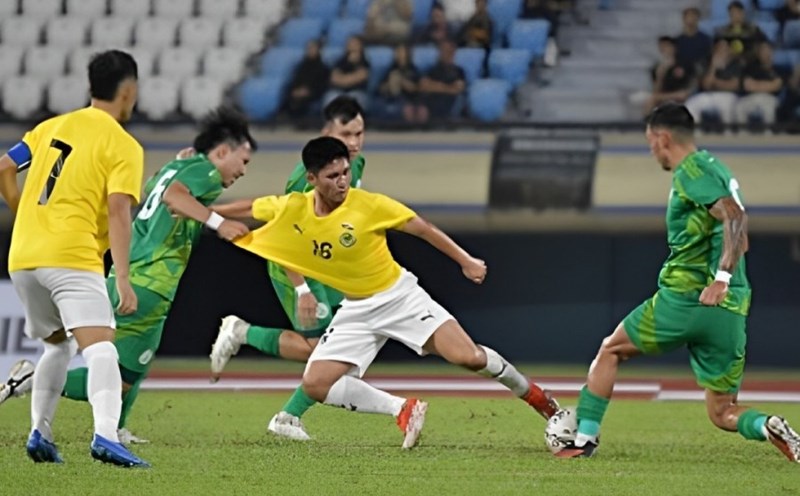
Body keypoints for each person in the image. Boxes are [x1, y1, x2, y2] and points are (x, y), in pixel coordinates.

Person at [214, 136, 560, 448]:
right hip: (356, 309)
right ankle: (403, 409)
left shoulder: (369, 205)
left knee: (468, 357)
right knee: (317, 384)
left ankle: (536, 398)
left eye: (345, 172)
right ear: (312, 179)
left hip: (400, 298)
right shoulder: (294, 207)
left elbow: (422, 228)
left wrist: (465, 260)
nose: (343, 181)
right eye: (333, 176)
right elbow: (249, 206)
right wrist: (207, 215)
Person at [556, 102, 800, 462]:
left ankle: (584, 440)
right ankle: (766, 424)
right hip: (730, 309)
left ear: (662, 137)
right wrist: (727, 282)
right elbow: (740, 235)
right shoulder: (717, 169)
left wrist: (719, 278)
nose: (651, 150)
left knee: (611, 350)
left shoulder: (691, 170)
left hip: (686, 299)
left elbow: (735, 217)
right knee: (722, 411)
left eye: (650, 142)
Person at [0, 108, 255, 445]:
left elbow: (161, 191)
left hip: (133, 268)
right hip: (152, 279)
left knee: (134, 363)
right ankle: (34, 380)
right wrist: (219, 225)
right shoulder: (204, 173)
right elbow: (173, 197)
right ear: (222, 151)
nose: (243, 170)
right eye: (244, 160)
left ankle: (116, 426)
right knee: (122, 373)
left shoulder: (177, 166)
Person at [0, 50, 148, 467]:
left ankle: (40, 434)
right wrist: (122, 276)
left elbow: (4, 168)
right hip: (71, 253)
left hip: (24, 256)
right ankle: (105, 436)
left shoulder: (50, 127)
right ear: (129, 90)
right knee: (101, 348)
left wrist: (24, 214)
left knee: (57, 345)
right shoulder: (122, 143)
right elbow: (119, 209)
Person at [209, 96, 367, 440]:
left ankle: (289, 413)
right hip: (294, 265)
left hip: (326, 264)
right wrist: (301, 288)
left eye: (359, 133)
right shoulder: (305, 179)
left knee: (342, 346)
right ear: (328, 131)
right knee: (320, 350)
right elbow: (282, 234)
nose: (354, 142)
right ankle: (243, 334)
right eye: (347, 133)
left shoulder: (356, 163)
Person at [285, 40, 330, 117]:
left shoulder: (323, 68)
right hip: (298, 91)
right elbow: (295, 80)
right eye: (309, 48)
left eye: (313, 48)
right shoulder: (300, 66)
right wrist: (296, 90)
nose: (310, 50)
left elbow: (322, 85)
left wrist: (308, 91)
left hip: (313, 93)